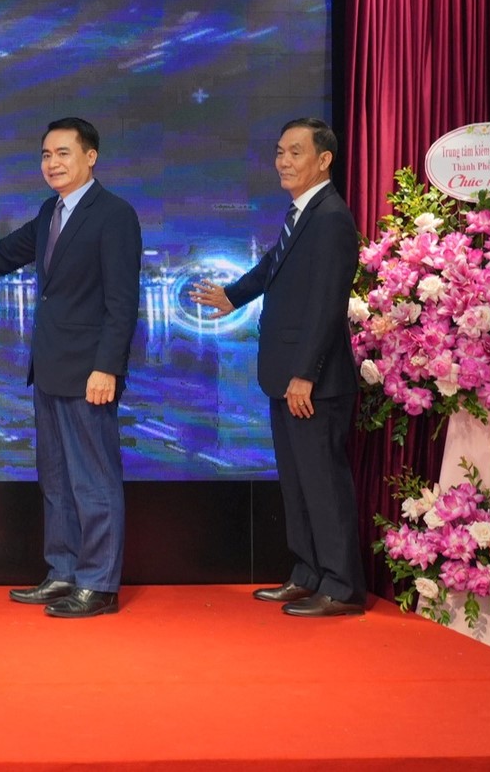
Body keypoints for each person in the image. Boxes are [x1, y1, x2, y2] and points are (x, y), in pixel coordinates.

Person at [0, 117, 141, 618]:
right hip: (49, 368)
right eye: (46, 155)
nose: (52, 163)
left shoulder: (114, 215)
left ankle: (99, 583)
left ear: (91, 157)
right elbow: (6, 254)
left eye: (63, 153)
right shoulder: (50, 212)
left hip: (89, 373)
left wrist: (108, 368)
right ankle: (63, 572)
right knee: (55, 479)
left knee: (93, 480)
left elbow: (123, 303)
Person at [188, 118, 364, 617]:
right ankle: (308, 574)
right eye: (279, 152)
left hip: (314, 381)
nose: (283, 161)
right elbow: (272, 266)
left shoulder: (331, 217)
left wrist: (306, 373)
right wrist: (232, 296)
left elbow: (328, 304)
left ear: (324, 159)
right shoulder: (302, 213)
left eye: (295, 152)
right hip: (287, 376)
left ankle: (341, 587)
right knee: (298, 482)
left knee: (323, 485)